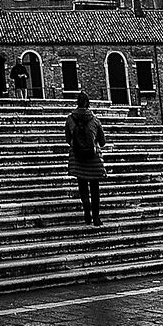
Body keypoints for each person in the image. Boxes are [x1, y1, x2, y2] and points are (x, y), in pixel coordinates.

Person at [66, 91, 108, 226]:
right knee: (95, 188)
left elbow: (68, 140)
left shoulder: (70, 119)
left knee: (82, 186)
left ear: (77, 102)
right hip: (93, 159)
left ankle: (87, 214)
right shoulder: (95, 120)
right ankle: (96, 217)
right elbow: (102, 142)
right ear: (88, 103)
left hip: (77, 158)